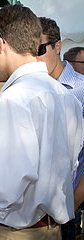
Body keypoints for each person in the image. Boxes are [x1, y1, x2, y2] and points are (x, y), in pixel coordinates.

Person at [0, 4, 83, 240]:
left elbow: (4, 194)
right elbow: (60, 171)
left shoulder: (14, 99)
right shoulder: (68, 99)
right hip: (50, 230)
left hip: (10, 233)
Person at [38, 17, 84, 240]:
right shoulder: (34, 88)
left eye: (40, 49)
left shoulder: (81, 91)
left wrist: (69, 208)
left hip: (63, 215)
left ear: (58, 46)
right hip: (34, 214)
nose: (34, 57)